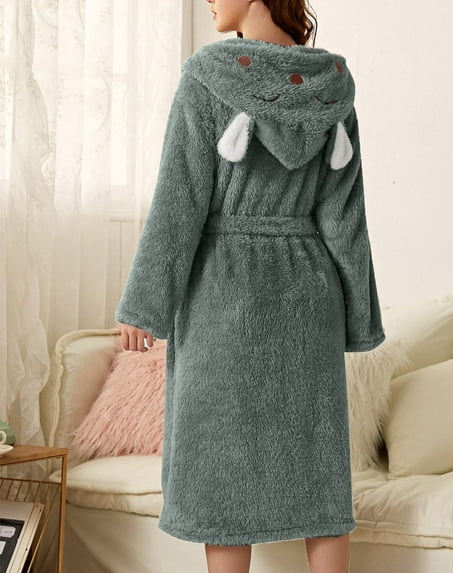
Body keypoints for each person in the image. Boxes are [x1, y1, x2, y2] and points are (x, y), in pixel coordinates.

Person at [115, 0, 385, 571]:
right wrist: (359, 317)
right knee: (317, 465)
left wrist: (144, 305)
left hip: (224, 295)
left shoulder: (209, 77)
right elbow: (345, 219)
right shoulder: (331, 88)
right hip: (310, 297)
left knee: (223, 470)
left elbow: (179, 200)